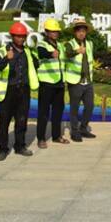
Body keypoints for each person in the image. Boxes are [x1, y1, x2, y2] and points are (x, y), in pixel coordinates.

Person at [0, 22, 39, 161]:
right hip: (8, 90)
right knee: (4, 122)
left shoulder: (27, 51)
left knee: (21, 120)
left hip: (23, 90)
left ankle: (20, 146)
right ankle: (2, 149)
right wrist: (7, 58)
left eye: (23, 36)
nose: (20, 39)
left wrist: (35, 55)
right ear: (12, 36)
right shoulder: (3, 51)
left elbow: (35, 64)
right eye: (18, 36)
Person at [35, 18, 69, 148]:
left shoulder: (60, 45)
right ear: (47, 32)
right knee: (43, 112)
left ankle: (56, 136)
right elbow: (41, 53)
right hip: (47, 83)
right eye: (52, 31)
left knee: (58, 111)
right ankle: (41, 138)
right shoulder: (42, 44)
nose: (55, 33)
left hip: (59, 83)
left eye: (57, 31)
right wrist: (50, 54)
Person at [65, 18, 96, 142]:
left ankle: (83, 128)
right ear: (75, 32)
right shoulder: (70, 44)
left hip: (87, 82)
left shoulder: (90, 44)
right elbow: (66, 54)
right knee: (74, 108)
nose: (81, 33)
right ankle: (75, 131)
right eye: (79, 31)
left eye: (83, 31)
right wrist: (77, 51)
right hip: (75, 81)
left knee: (90, 106)